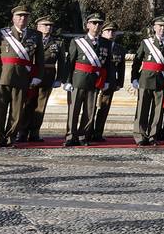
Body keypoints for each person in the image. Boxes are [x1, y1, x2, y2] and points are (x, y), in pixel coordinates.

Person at [130, 17, 164, 146]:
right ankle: (140, 135)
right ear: (154, 27)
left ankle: (153, 135)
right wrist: (134, 78)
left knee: (158, 110)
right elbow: (136, 62)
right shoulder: (146, 43)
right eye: (159, 26)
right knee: (142, 109)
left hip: (163, 80)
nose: (162, 28)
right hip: (146, 79)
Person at [59, 14, 107, 147]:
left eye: (99, 23)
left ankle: (83, 136)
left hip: (95, 80)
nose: (96, 26)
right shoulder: (77, 41)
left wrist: (107, 80)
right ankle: (70, 136)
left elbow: (107, 64)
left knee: (89, 110)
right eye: (94, 23)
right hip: (78, 79)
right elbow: (70, 62)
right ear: (87, 25)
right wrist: (67, 80)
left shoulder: (106, 43)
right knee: (74, 109)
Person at [0, 6, 37, 147]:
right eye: (19, 16)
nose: (22, 19)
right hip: (3, 77)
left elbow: (40, 59)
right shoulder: (2, 34)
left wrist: (38, 76)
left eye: (25, 16)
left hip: (22, 78)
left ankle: (10, 138)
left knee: (17, 111)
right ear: (13, 18)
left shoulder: (35, 35)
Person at [18, 15, 58, 143]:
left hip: (47, 76)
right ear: (38, 26)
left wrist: (60, 78)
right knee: (26, 104)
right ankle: (22, 132)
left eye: (50, 25)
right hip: (30, 74)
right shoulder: (29, 39)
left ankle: (34, 132)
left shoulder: (57, 43)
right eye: (45, 25)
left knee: (40, 105)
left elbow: (62, 61)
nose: (48, 27)